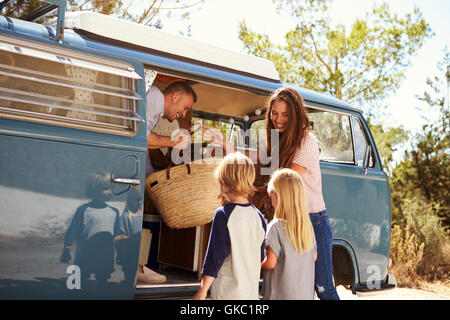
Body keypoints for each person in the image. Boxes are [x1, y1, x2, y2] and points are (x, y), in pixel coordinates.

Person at [205, 86, 340, 300]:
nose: (278, 119)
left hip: (312, 221)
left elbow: (285, 183)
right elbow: (257, 157)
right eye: (274, 113)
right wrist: (226, 145)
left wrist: (248, 192)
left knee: (323, 287)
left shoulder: (307, 143)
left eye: (285, 114)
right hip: (288, 220)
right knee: (284, 284)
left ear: (295, 115)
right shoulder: (279, 139)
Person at [193, 152, 267, 300]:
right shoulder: (259, 216)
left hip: (227, 294)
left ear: (225, 182)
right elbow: (260, 257)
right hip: (250, 294)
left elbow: (215, 258)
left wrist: (203, 290)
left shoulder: (223, 215)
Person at [60, 171, 120, 294]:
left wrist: (120, 253)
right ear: (94, 190)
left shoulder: (114, 212)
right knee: (78, 283)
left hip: (106, 255)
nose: (110, 192)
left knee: (102, 281)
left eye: (111, 188)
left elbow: (117, 235)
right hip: (84, 254)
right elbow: (73, 229)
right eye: (106, 189)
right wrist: (67, 248)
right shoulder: (83, 210)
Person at [262, 168, 317, 300]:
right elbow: (314, 257)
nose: (270, 200)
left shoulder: (276, 227)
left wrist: (253, 265)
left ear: (280, 196)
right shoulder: (307, 227)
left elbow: (270, 263)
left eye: (272, 194)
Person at [146, 81, 197, 175]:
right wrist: (175, 141)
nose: (184, 114)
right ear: (175, 97)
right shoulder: (153, 98)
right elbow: (141, 137)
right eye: (185, 108)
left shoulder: (156, 110)